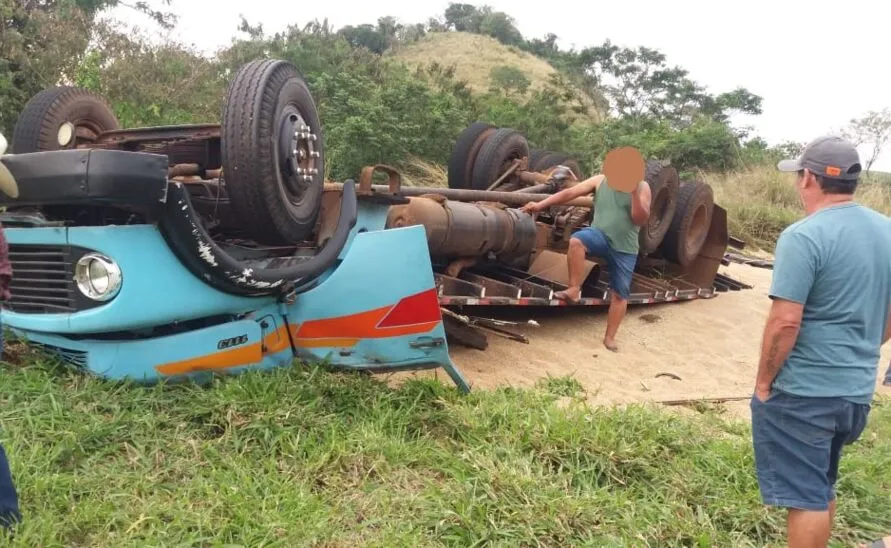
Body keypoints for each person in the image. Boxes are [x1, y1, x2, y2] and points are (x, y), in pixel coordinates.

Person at [750, 135, 891, 548]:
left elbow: (785, 322)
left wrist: (763, 382)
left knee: (805, 498)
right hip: (855, 392)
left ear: (807, 177)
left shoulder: (804, 236)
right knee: (821, 485)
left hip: (804, 392)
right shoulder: (887, 232)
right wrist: (865, 347)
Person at [521, 152, 651, 352]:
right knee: (577, 241)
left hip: (625, 248)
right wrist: (539, 204)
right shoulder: (600, 181)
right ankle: (574, 289)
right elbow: (568, 195)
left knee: (620, 294)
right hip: (600, 235)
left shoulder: (642, 187)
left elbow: (640, 219)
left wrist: (633, 193)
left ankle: (609, 338)